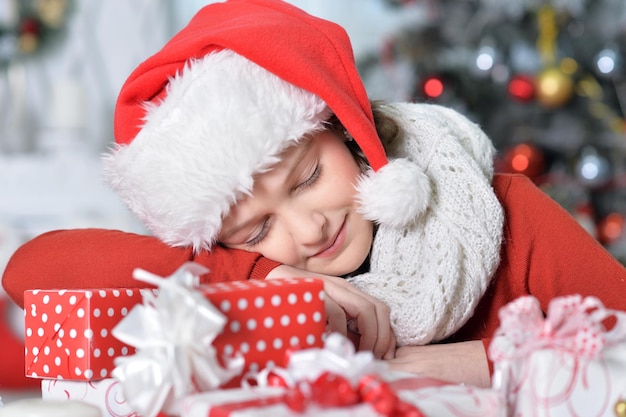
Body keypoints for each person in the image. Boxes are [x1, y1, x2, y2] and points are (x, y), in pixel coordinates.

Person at [3, 0, 626, 388]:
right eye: (255, 228)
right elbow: (27, 271)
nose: (305, 232)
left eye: (306, 178)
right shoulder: (227, 277)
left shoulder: (503, 211)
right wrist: (257, 275)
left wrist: (490, 363)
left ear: (348, 129)